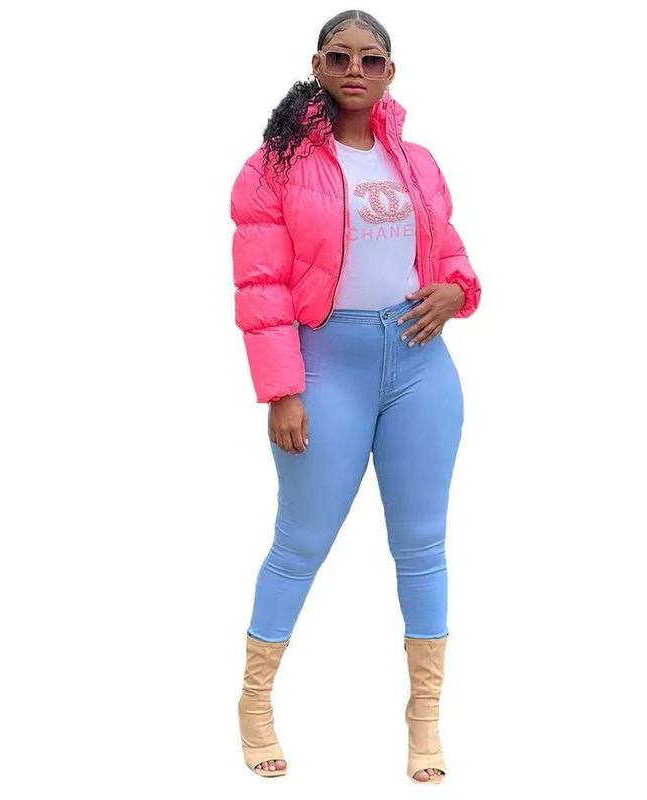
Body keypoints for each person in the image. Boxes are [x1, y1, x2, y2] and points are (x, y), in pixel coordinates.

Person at [230, 9, 481, 782]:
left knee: (423, 546)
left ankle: (425, 720)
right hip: (325, 367)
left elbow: (451, 256)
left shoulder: (419, 162)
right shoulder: (273, 167)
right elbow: (261, 286)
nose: (355, 71)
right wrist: (282, 390)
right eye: (339, 57)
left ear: (389, 73)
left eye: (371, 60)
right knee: (301, 543)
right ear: (317, 64)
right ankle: (255, 703)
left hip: (420, 368)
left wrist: (459, 292)